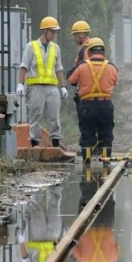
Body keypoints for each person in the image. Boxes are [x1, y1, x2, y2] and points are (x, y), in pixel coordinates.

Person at [17, 16, 68, 148]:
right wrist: (20, 84)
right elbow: (24, 66)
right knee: (35, 116)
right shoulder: (31, 46)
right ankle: (35, 145)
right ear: (45, 31)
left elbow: (59, 68)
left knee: (54, 117)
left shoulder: (56, 48)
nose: (54, 34)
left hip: (52, 88)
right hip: (35, 88)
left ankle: (56, 144)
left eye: (55, 32)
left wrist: (62, 87)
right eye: (52, 31)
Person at [67, 38, 119, 162]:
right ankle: (106, 161)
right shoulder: (112, 67)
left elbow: (71, 80)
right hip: (105, 105)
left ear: (89, 52)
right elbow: (115, 82)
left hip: (86, 106)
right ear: (103, 51)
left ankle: (87, 164)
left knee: (87, 134)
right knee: (106, 134)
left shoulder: (82, 66)